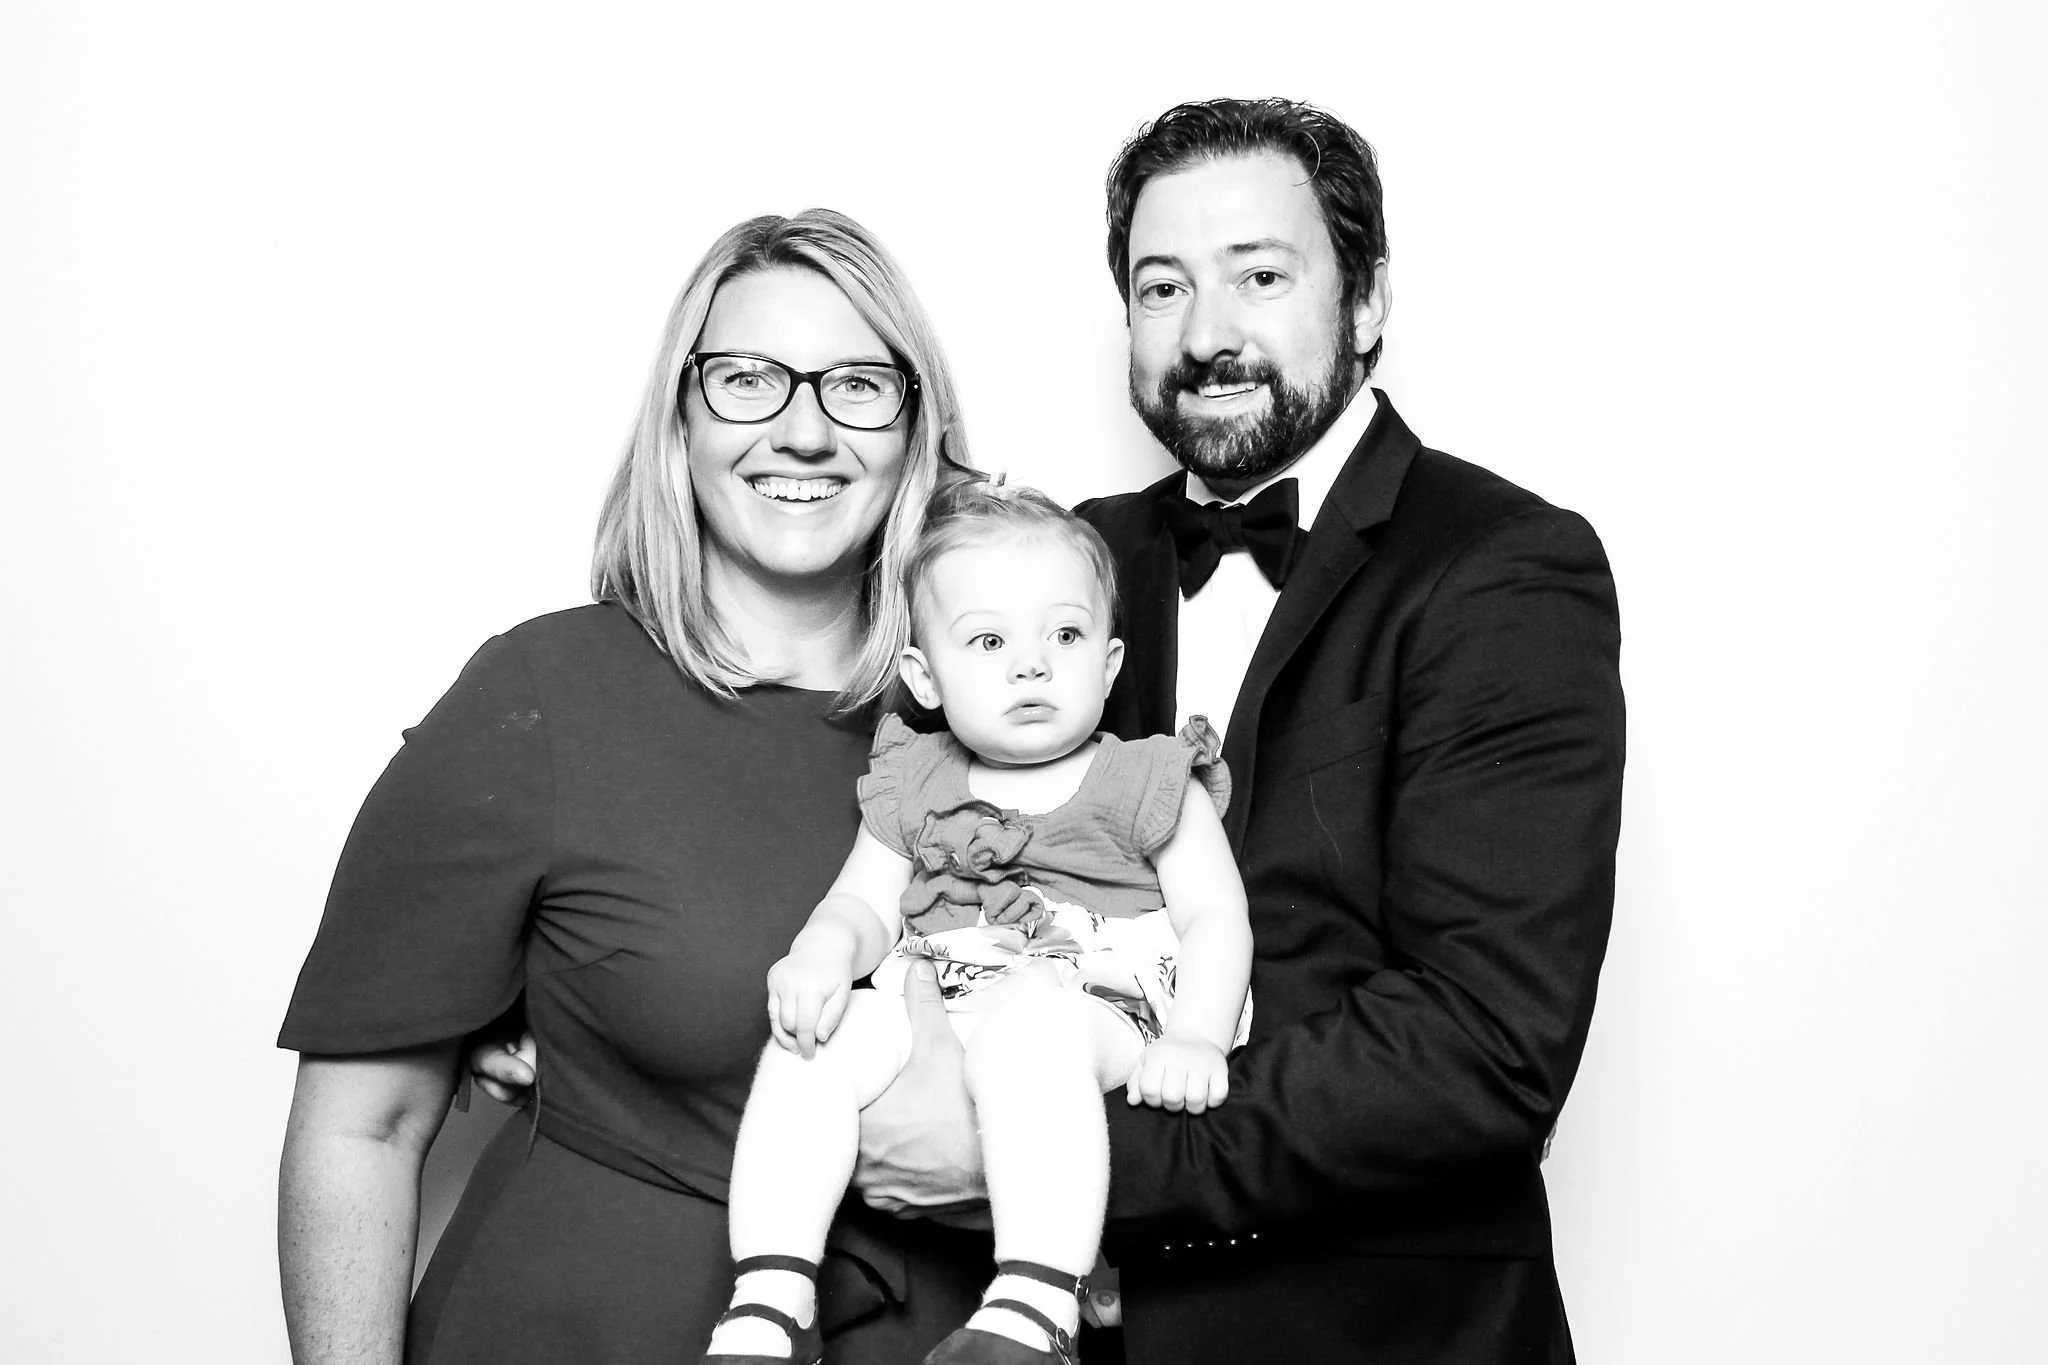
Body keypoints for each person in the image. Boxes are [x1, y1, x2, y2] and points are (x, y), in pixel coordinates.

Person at [843, 99, 1627, 1363]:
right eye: (1161, 288)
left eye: (1258, 276)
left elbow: (1485, 1043)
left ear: (1365, 301)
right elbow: (900, 815)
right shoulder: (1066, 562)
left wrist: (1034, 1155)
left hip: (1385, 1336)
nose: (1206, 334)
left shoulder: (1503, 569)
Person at [275, 209, 996, 1365]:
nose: (803, 430)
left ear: (917, 427)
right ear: (680, 419)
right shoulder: (544, 697)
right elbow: (364, 1126)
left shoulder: (1006, 715)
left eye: (858, 384)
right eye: (748, 379)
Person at [701, 481, 1253, 1365]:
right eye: (989, 640)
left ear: (1109, 668)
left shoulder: (1148, 778)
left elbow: (1217, 917)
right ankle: (771, 1297)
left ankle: (1036, 1307)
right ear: (926, 676)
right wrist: (822, 951)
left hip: (1096, 999)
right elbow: (864, 903)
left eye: (1063, 636)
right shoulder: (915, 778)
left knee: (1031, 1024)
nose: (1030, 664)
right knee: (811, 1042)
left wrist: (1197, 1036)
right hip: (949, 990)